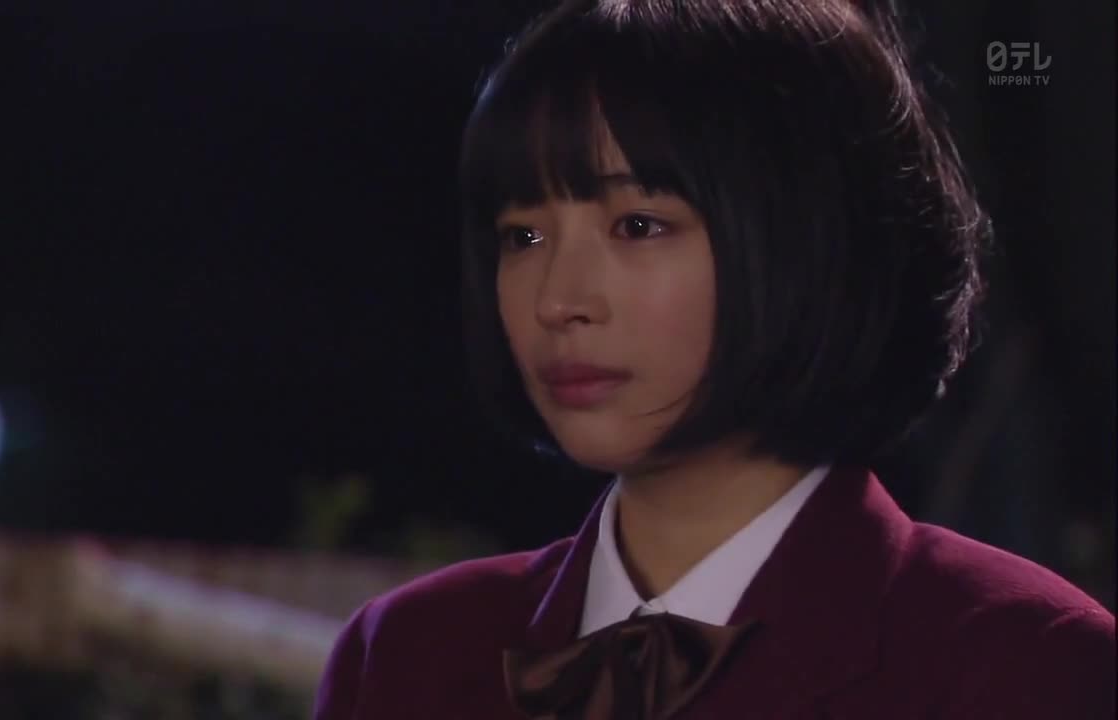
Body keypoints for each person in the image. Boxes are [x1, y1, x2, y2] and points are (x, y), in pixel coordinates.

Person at [313, 0, 1116, 718]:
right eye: (523, 235)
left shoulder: (1021, 661)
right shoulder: (408, 653)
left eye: (637, 226)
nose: (558, 299)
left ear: (807, 243)